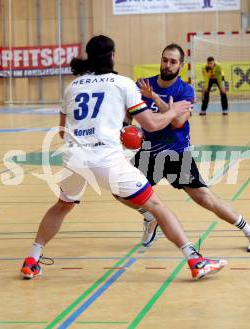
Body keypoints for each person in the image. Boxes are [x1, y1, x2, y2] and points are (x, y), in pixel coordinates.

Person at [20, 35, 227, 280]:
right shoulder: (122, 83)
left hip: (73, 158)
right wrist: (171, 111)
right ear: (112, 56)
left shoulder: (72, 86)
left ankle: (32, 259)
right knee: (157, 206)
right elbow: (150, 125)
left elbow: (64, 131)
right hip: (106, 159)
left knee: (63, 205)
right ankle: (195, 260)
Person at [122, 43, 250, 252]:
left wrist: (154, 98)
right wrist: (127, 130)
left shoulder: (185, 90)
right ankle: (150, 216)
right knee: (120, 190)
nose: (168, 65)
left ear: (181, 65)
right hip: (148, 153)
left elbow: (178, 122)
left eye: (173, 62)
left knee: (205, 199)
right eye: (165, 60)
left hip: (176, 154)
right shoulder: (142, 85)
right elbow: (129, 113)